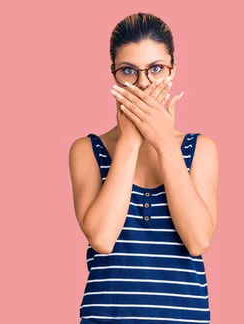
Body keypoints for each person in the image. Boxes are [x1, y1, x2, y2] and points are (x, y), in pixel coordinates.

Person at [68, 12, 219, 324]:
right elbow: (102, 239)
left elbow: (198, 240)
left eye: (155, 69)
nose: (143, 83)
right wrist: (129, 142)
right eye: (128, 71)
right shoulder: (87, 151)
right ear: (114, 76)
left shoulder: (200, 149)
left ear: (172, 71)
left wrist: (164, 143)